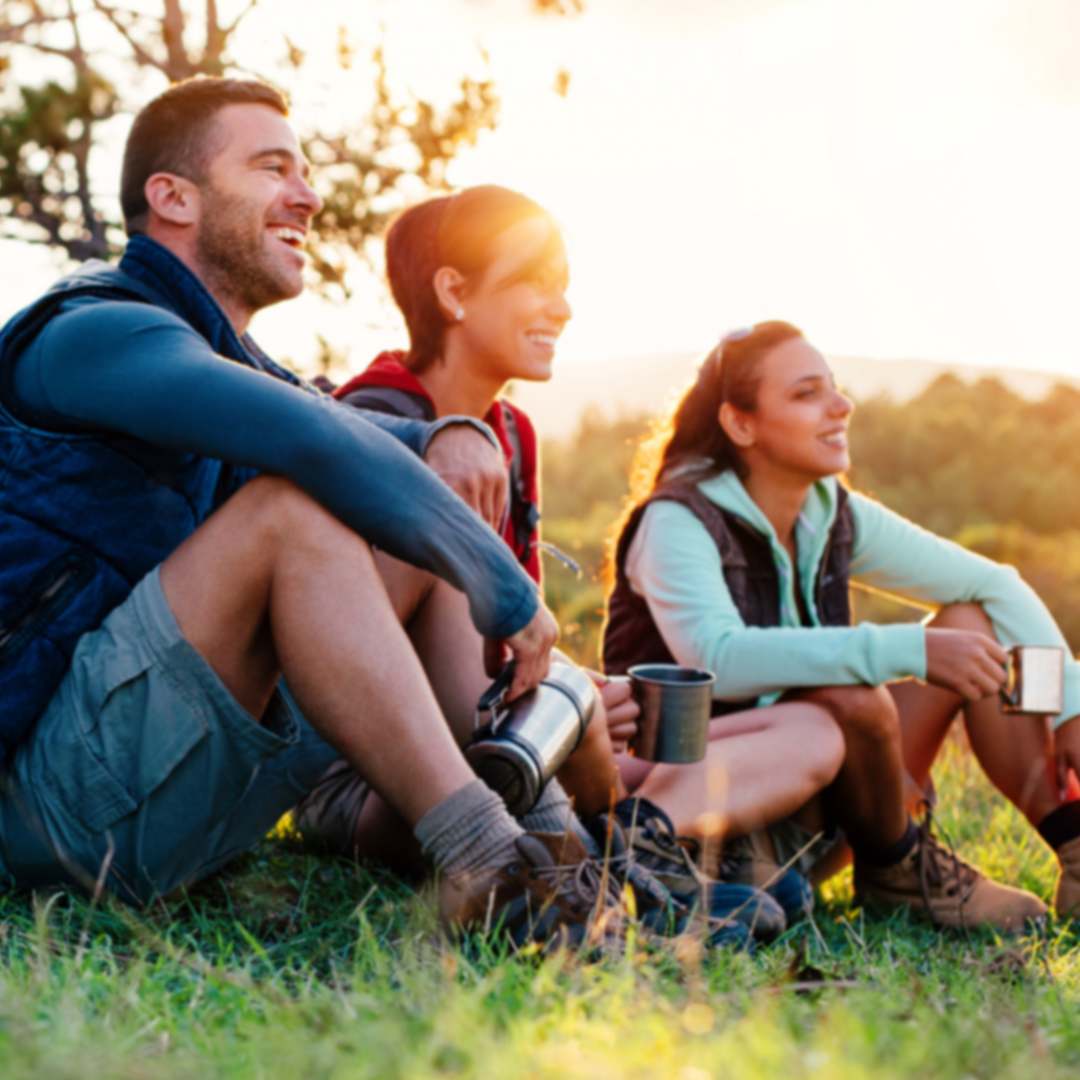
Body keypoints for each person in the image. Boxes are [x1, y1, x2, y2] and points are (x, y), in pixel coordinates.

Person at [0, 76, 632, 952]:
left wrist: (449, 434)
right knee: (296, 510)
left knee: (404, 507)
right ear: (171, 197)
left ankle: (555, 859)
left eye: (304, 171)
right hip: (49, 812)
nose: (308, 195)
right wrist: (510, 592)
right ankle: (483, 857)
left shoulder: (243, 361)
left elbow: (349, 434)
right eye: (271, 168)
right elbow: (315, 440)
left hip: (170, 789)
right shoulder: (91, 333)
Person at [295, 188, 844, 931]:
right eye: (537, 280)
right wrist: (561, 697)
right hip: (383, 778)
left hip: (511, 733)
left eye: (565, 282)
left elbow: (507, 638)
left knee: (812, 733)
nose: (564, 307)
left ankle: (638, 848)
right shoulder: (377, 423)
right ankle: (612, 877)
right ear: (453, 292)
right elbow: (367, 643)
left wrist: (580, 688)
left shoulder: (513, 432)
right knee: (465, 580)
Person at [603, 320, 1075, 932]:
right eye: (807, 394)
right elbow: (716, 654)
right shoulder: (676, 521)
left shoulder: (831, 511)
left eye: (835, 387)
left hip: (831, 800)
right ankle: (898, 867)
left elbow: (996, 586)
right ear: (740, 424)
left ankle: (1074, 846)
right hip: (720, 804)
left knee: (973, 621)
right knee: (848, 691)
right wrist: (909, 650)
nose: (841, 404)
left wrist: (1070, 707)